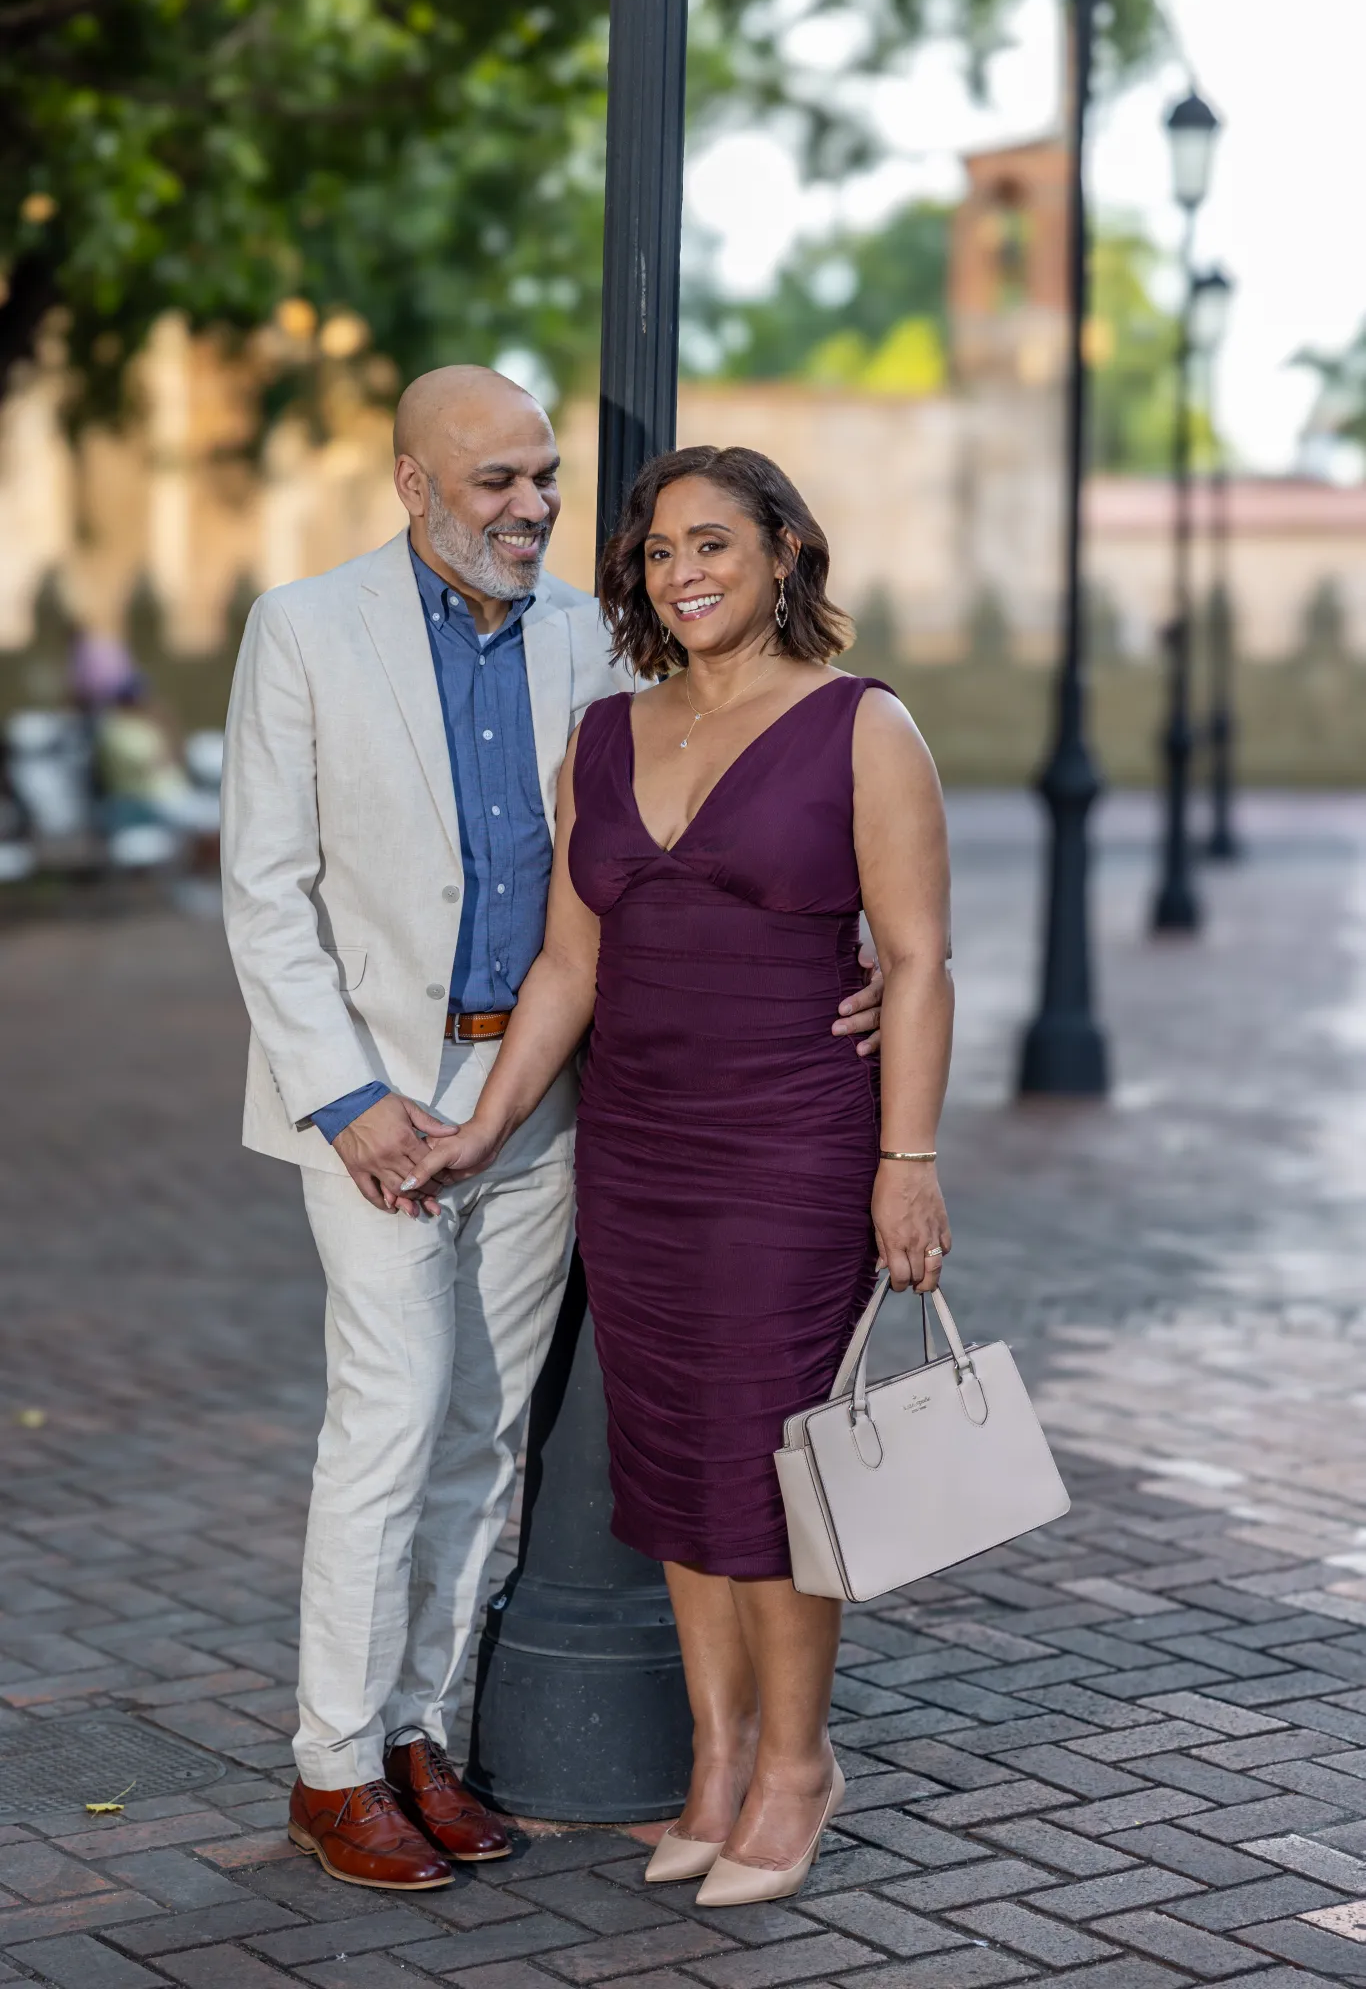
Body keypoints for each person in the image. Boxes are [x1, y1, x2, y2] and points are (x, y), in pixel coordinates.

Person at [220, 376, 885, 1892]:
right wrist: (345, 1098)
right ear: (411, 482)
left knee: (483, 1434)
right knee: (388, 1419)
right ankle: (333, 1766)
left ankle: (415, 1740)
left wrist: (829, 965)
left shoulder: (595, 637)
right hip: (371, 1104)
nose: (531, 509)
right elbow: (264, 890)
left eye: (545, 479)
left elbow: (698, 811)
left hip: (538, 1100)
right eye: (496, 483)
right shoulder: (305, 629)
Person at [404, 443, 953, 1907]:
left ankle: (797, 1764)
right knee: (670, 1458)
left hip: (792, 1137)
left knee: (771, 1465)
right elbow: (569, 963)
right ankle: (714, 1761)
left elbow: (912, 961)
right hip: (638, 1146)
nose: (684, 573)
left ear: (782, 551)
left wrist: (907, 1159)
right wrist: (485, 1126)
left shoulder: (860, 726)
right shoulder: (606, 733)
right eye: (657, 552)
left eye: (713, 543)